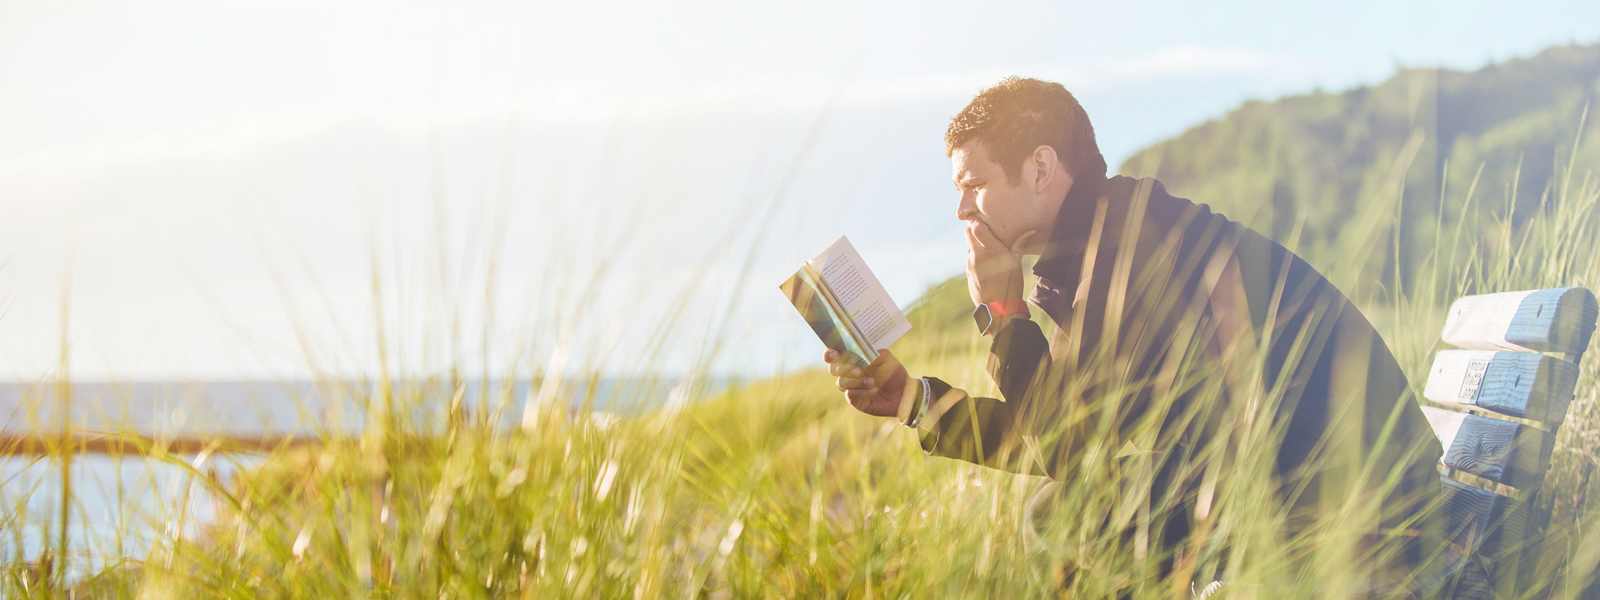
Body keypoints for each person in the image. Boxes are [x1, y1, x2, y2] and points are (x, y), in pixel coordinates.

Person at [823, 77, 1447, 594]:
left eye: (974, 185)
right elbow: (1065, 436)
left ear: (1041, 167)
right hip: (1316, 492)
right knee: (1072, 509)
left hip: (1367, 518)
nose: (963, 212)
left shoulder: (1134, 248)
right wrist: (912, 400)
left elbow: (1063, 445)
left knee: (1065, 515)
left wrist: (1007, 312)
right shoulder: (1102, 243)